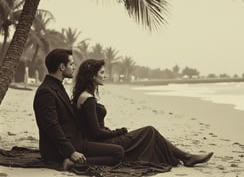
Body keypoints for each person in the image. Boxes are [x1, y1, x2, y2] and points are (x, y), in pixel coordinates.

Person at [71, 59, 214, 167]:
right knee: (149, 131)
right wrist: (119, 131)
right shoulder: (87, 99)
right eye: (102, 73)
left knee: (149, 132)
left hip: (102, 139)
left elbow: (93, 128)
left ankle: (185, 157)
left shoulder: (84, 95)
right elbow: (95, 132)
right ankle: (186, 157)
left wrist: (113, 132)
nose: (105, 76)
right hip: (101, 141)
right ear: (92, 76)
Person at [33, 49, 124, 171]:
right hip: (60, 149)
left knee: (115, 147)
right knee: (118, 152)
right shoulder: (46, 92)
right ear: (61, 67)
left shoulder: (56, 86)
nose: (74, 67)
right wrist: (71, 152)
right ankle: (71, 164)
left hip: (75, 140)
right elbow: (51, 127)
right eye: (71, 64)